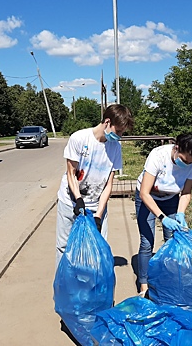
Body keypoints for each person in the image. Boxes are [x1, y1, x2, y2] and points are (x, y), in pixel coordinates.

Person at [55, 104, 134, 267]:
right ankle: (64, 288)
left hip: (97, 205)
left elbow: (108, 184)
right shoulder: (79, 138)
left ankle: (90, 287)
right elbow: (71, 173)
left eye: (122, 132)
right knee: (64, 247)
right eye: (118, 131)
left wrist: (98, 215)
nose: (120, 136)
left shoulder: (115, 147)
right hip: (70, 202)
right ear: (107, 122)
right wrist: (78, 200)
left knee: (97, 248)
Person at [135, 132, 192, 296]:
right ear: (176, 148)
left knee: (173, 240)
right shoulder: (158, 155)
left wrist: (180, 214)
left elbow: (186, 192)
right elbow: (144, 193)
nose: (187, 164)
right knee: (147, 243)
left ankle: (169, 279)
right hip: (147, 198)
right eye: (184, 159)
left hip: (170, 199)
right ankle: (144, 286)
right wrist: (162, 218)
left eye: (190, 161)